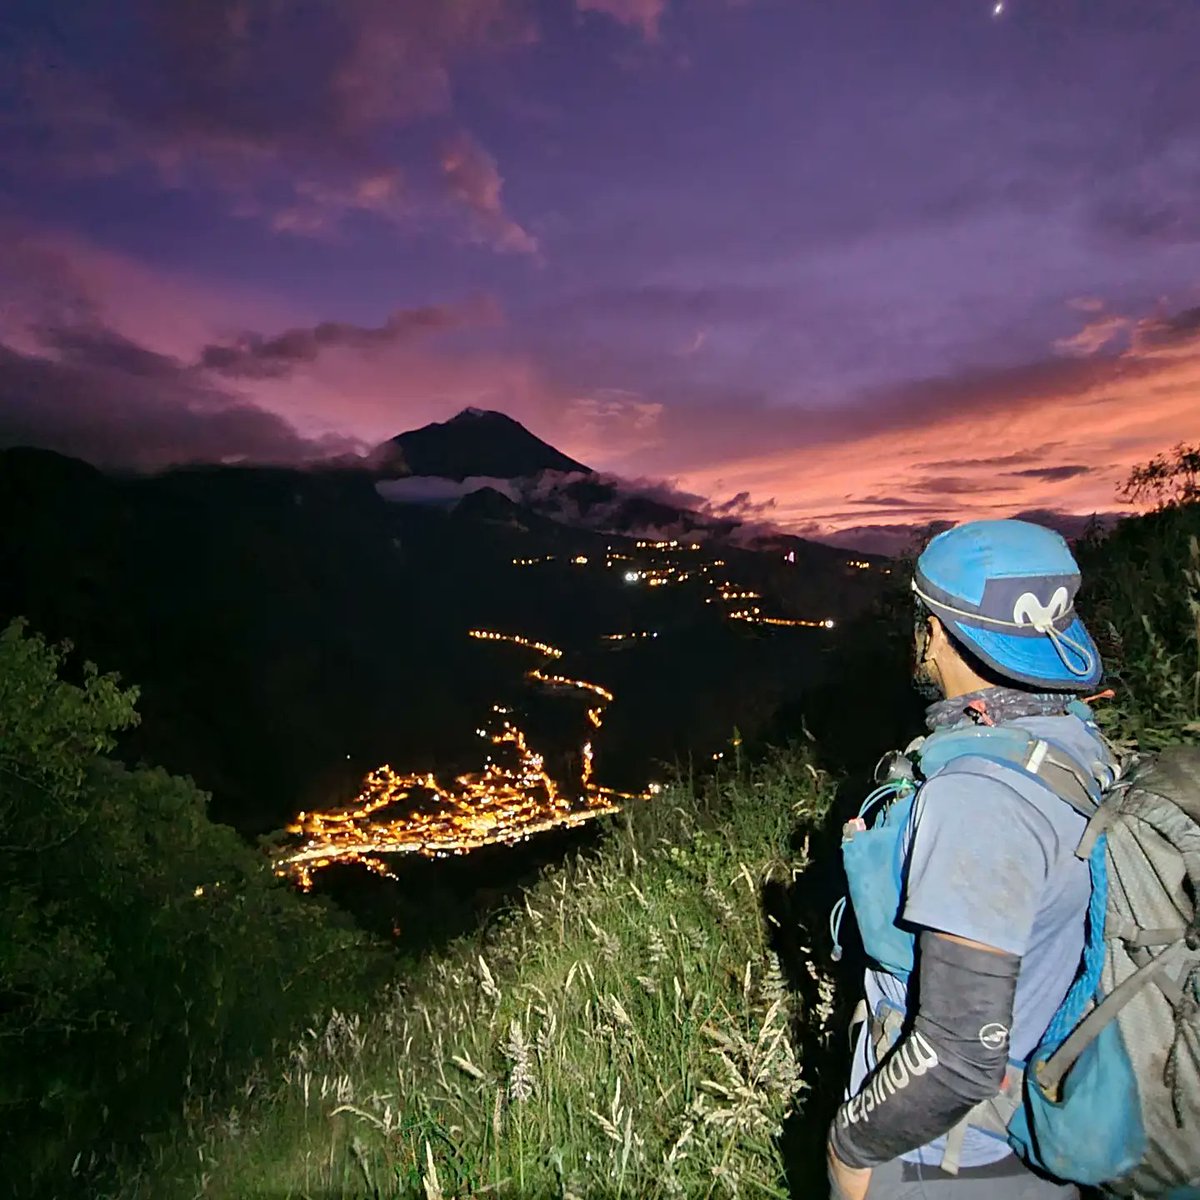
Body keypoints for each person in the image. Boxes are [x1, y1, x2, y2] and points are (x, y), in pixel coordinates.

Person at [827, 519, 1114, 1199]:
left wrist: (851, 1145)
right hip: (1028, 1141)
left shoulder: (977, 799)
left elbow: (960, 1052)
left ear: (938, 631)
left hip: (950, 1159)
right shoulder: (1071, 739)